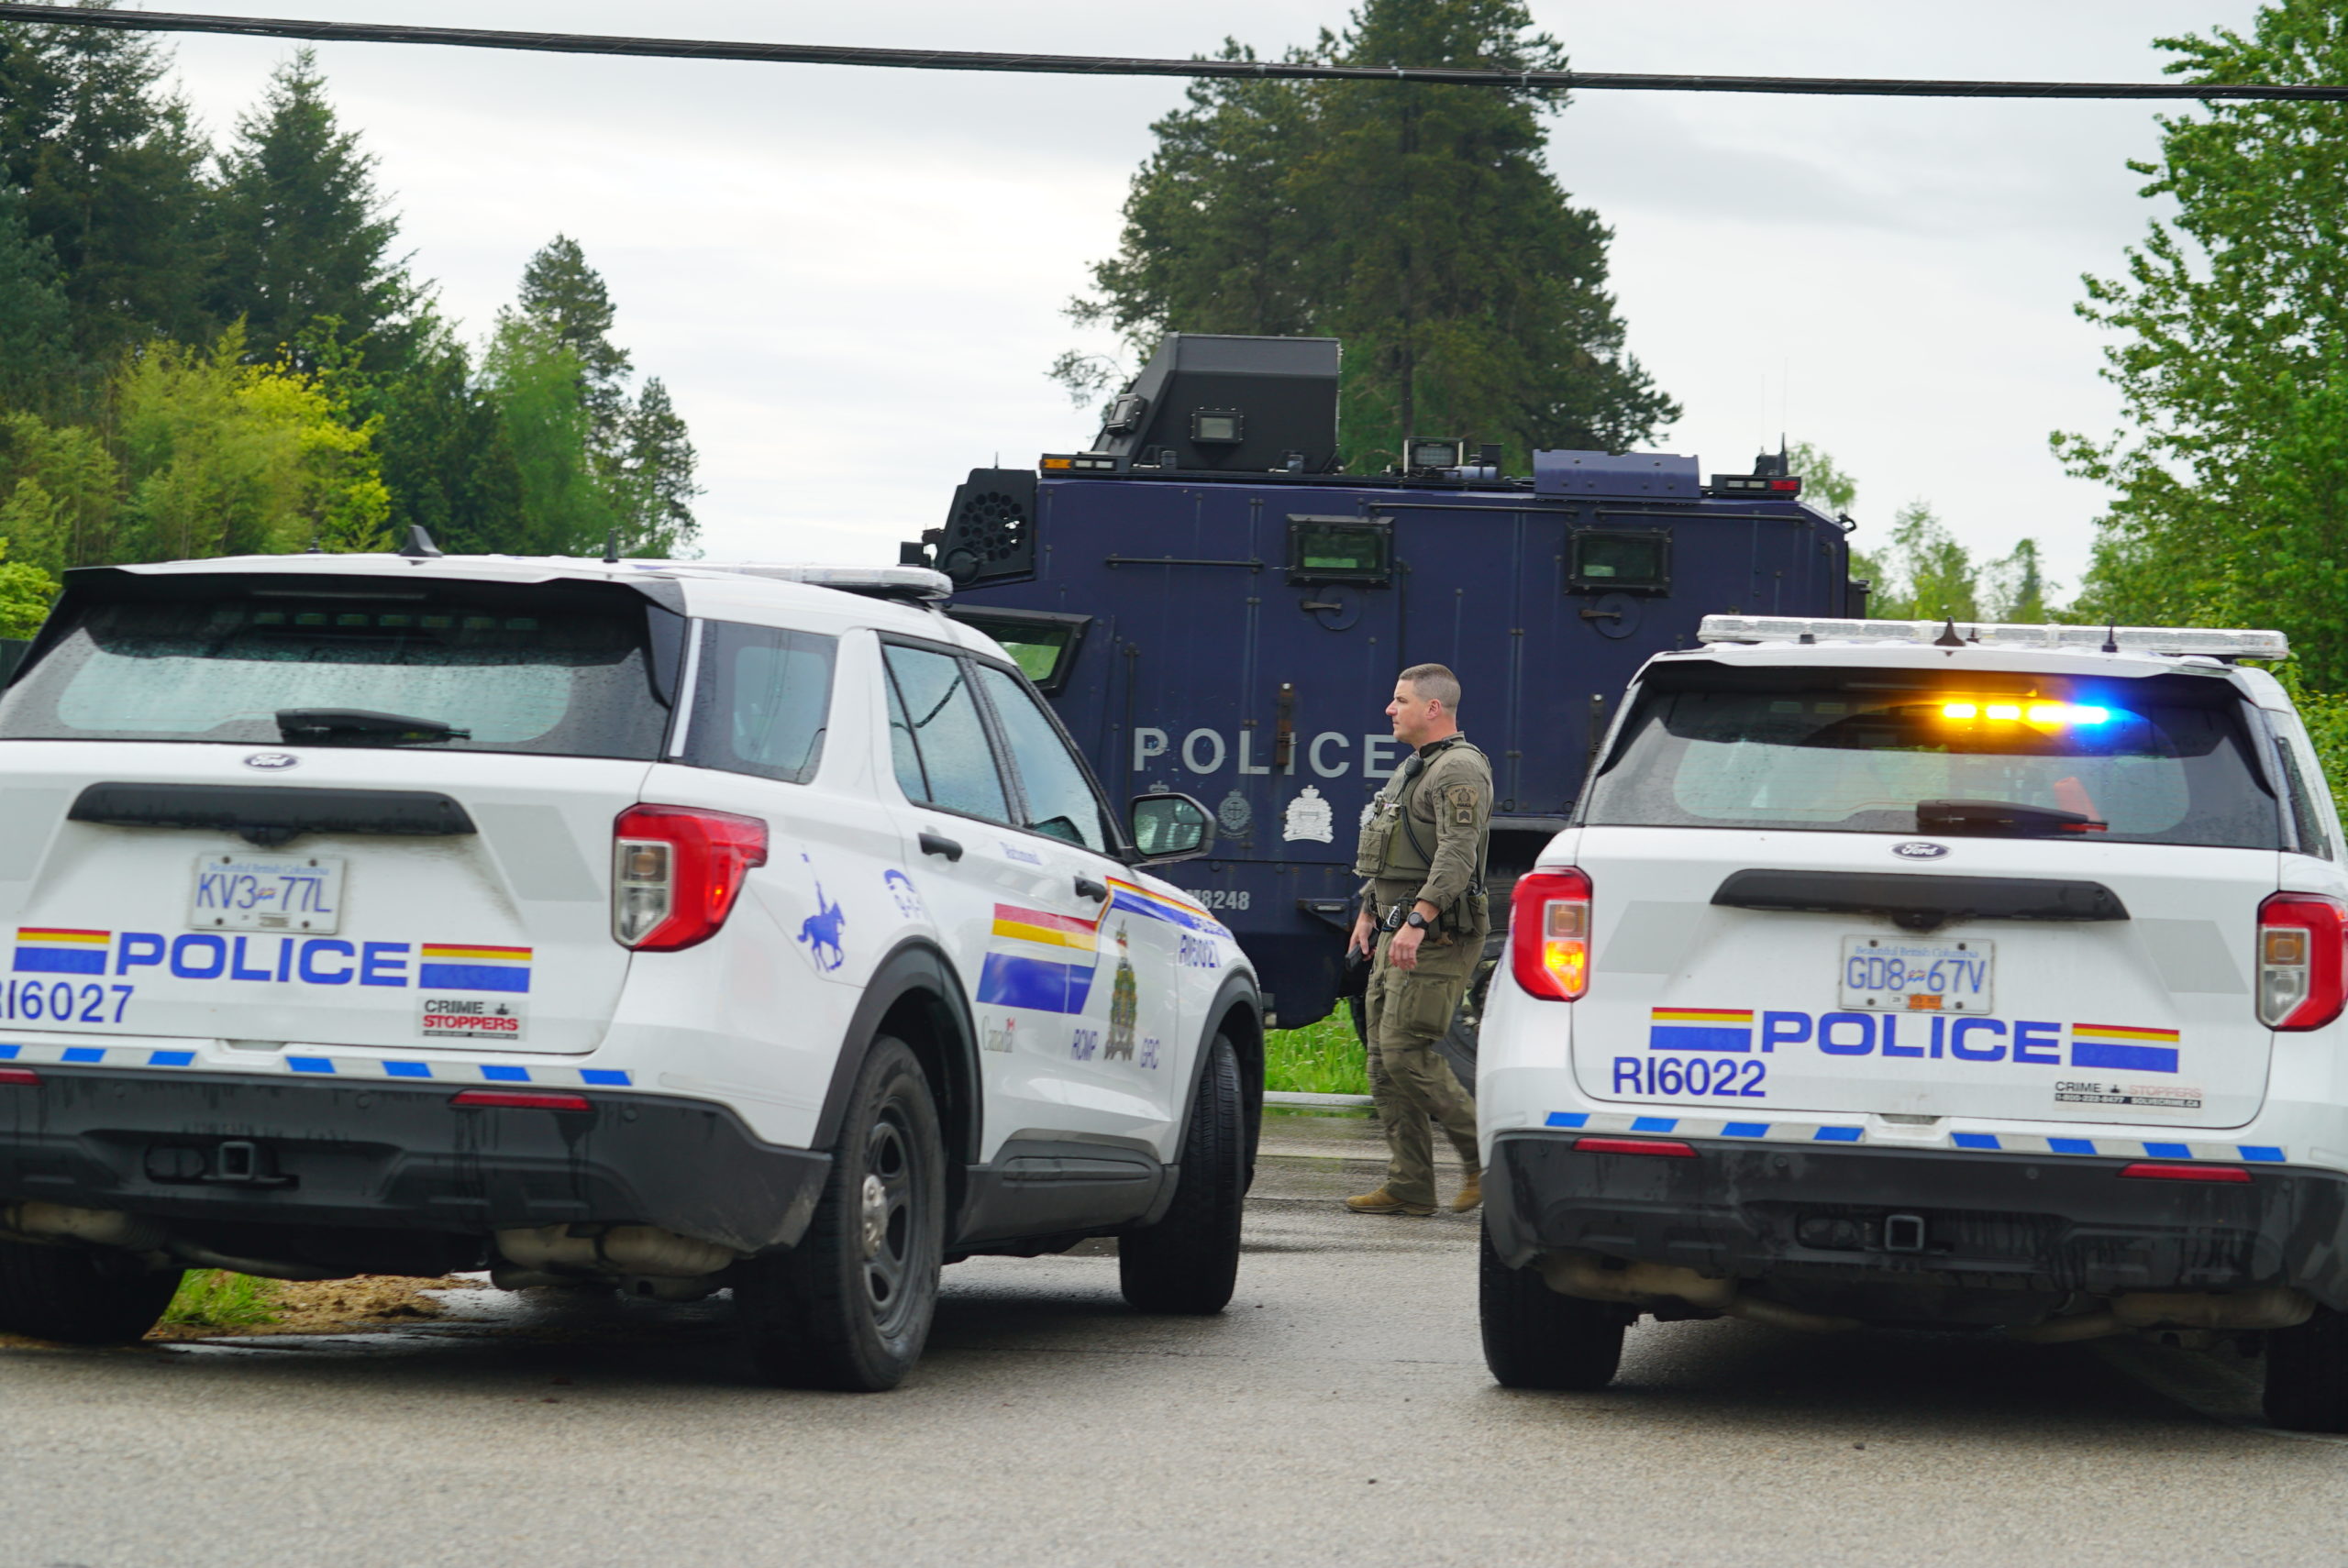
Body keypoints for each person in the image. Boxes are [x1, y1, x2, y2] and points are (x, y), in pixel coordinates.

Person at [1344, 663, 1490, 1217]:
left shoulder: (1459, 770)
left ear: (1433, 708)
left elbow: (1457, 853)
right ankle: (1410, 1184)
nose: (1390, 708)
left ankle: (1485, 1160)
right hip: (1396, 927)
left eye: (1400, 699)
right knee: (1383, 1060)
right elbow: (1396, 854)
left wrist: (1419, 918)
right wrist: (1368, 911)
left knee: (1407, 1052)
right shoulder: (1414, 768)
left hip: (1437, 934)